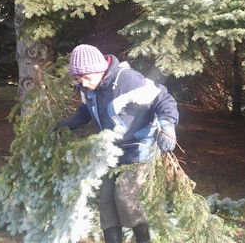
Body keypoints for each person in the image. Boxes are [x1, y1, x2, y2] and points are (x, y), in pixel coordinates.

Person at [58, 44, 179, 243]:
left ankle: (143, 239)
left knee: (125, 196)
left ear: (100, 69)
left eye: (87, 77)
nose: (83, 83)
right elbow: (86, 109)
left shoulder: (127, 80)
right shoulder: (87, 87)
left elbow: (163, 98)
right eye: (79, 78)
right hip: (109, 152)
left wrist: (168, 126)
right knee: (105, 200)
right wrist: (67, 125)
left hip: (137, 149)